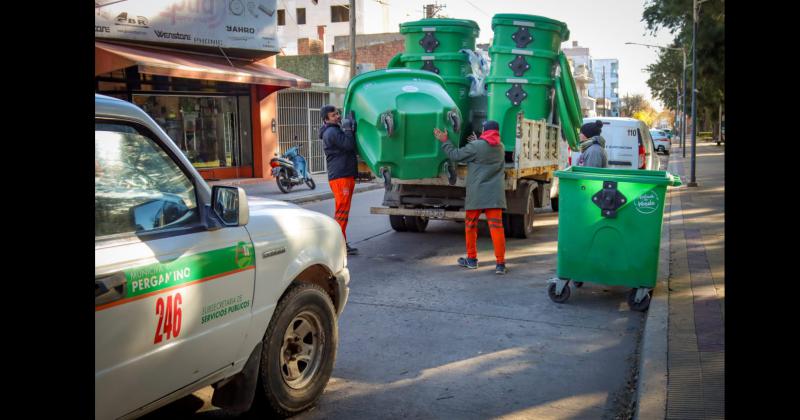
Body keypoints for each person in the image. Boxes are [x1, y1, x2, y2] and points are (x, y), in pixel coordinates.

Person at [433, 120, 508, 275]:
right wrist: (477, 142)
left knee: (470, 226)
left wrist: (445, 141)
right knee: (497, 229)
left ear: (484, 130)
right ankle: (500, 264)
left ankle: (472, 260)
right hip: (494, 196)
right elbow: (484, 150)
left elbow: (456, 155)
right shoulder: (501, 147)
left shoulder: (476, 147)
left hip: (477, 194)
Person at [320, 105, 359, 255]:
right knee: (341, 212)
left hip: (343, 174)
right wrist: (349, 129)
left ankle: (339, 242)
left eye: (337, 113)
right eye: (333, 115)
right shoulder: (331, 132)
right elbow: (349, 145)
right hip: (340, 176)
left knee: (343, 212)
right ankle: (337, 244)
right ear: (326, 119)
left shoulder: (334, 130)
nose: (337, 116)